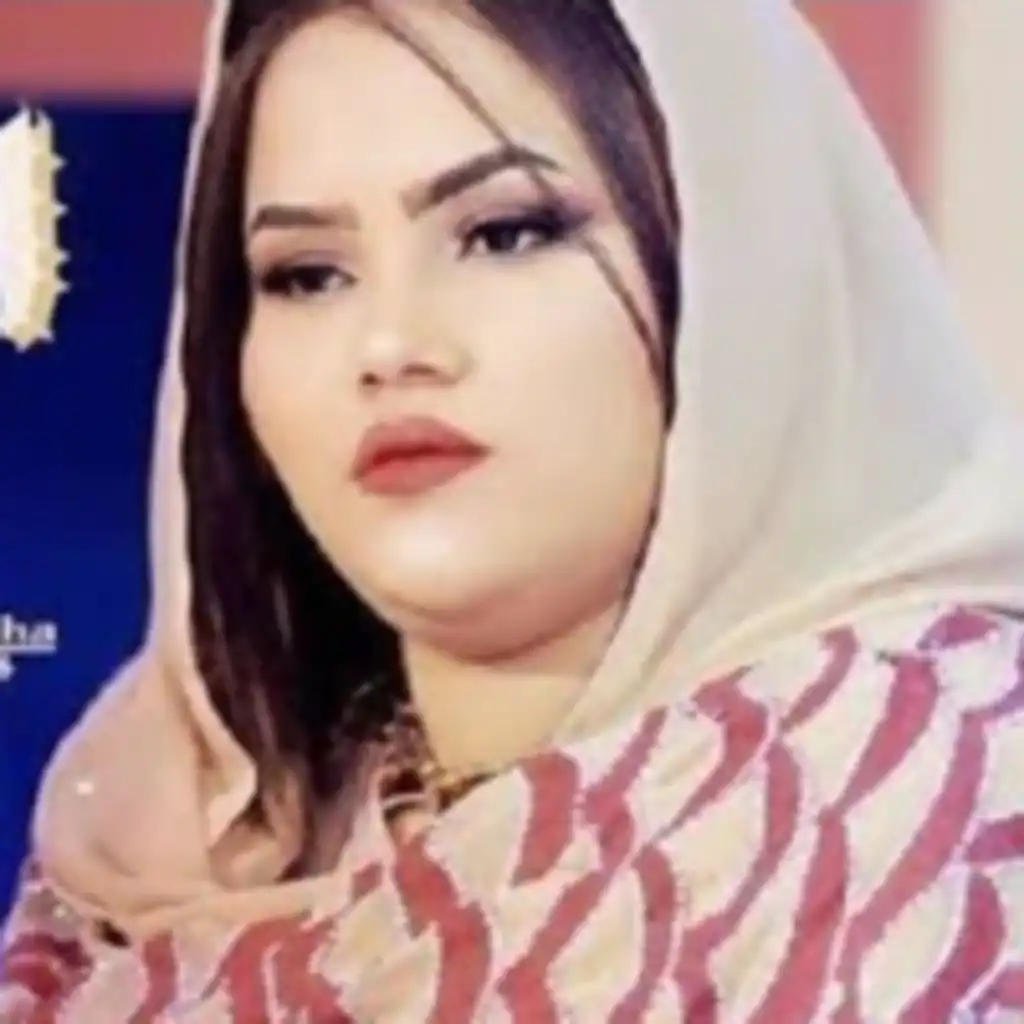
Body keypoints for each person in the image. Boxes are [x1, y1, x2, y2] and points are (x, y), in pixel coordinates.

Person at [5, 0, 1024, 1017]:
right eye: (307, 275)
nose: (389, 345)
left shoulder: (938, 801)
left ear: (739, 270)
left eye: (505, 233)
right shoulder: (160, 847)